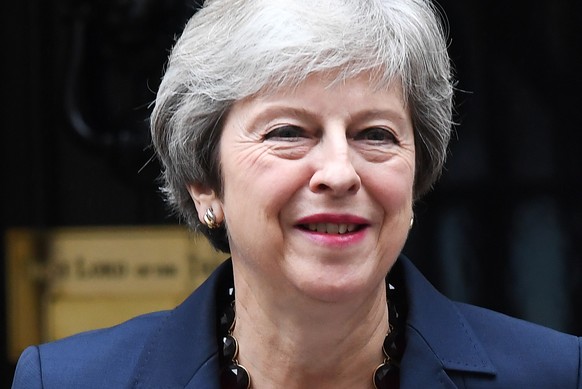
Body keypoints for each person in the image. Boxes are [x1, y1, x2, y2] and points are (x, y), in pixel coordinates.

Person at [12, 0, 581, 388]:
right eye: (288, 133)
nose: (339, 172)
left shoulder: (557, 375)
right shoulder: (68, 381)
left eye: (375, 134)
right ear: (204, 180)